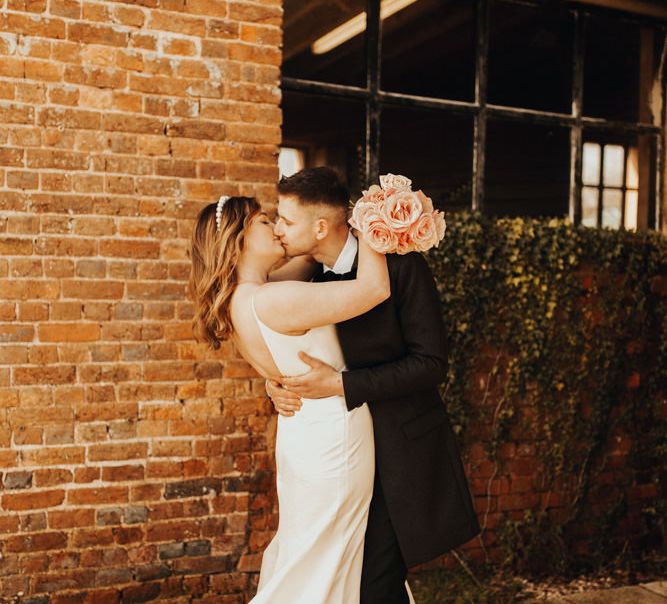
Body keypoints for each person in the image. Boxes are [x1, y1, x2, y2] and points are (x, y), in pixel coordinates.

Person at [267, 167, 481, 603]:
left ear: (321, 226)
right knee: (351, 578)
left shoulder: (402, 267)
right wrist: (279, 384)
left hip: (397, 453)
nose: (278, 229)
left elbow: (431, 363)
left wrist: (343, 385)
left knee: (373, 581)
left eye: (286, 221)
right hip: (339, 461)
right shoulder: (307, 280)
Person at [188, 194, 390, 603]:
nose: (277, 228)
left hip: (302, 436)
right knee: (322, 563)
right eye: (265, 222)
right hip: (334, 440)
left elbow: (311, 259)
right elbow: (374, 288)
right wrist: (376, 221)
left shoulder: (242, 299)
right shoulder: (274, 299)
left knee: (315, 552)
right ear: (239, 241)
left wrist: (324, 226)